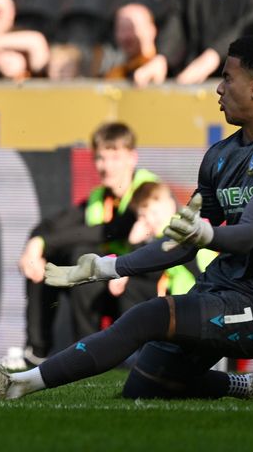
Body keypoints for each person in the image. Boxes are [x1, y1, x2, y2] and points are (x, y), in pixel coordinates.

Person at [0, 35, 253, 403]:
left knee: (149, 317)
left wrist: (204, 234)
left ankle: (16, 384)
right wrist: (106, 268)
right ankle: (250, 385)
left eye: (227, 78)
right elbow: (180, 243)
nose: (218, 88)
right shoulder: (221, 156)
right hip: (220, 290)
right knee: (145, 386)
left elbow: (249, 234)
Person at [8, 121, 160, 370]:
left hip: (153, 289)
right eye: (100, 158)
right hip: (115, 286)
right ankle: (37, 353)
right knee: (47, 263)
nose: (106, 166)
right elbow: (52, 225)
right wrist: (35, 245)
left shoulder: (149, 190)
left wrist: (43, 241)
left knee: (83, 256)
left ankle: (90, 354)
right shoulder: (100, 198)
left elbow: (114, 229)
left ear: (132, 158)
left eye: (115, 157)